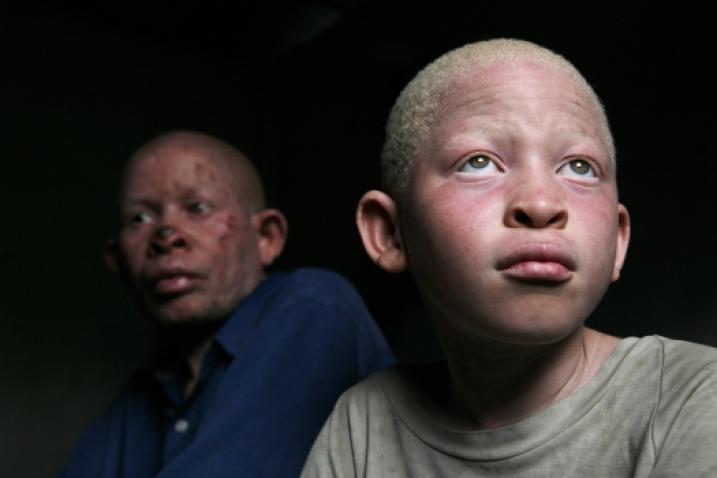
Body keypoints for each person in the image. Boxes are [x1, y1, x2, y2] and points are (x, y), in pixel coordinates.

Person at [301, 38, 717, 477]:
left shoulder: (694, 397)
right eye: (479, 162)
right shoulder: (363, 423)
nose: (541, 204)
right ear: (390, 233)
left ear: (617, 240)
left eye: (579, 167)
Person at [59, 130, 395, 478]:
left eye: (198, 208)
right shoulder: (143, 398)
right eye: (139, 219)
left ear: (266, 237)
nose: (166, 235)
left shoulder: (312, 307)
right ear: (118, 262)